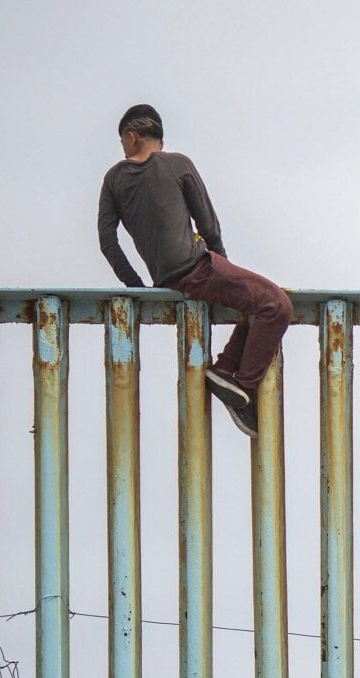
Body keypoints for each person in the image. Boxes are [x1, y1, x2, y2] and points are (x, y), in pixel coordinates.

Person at [97, 104, 289, 438]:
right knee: (277, 304)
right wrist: (224, 266)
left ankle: (227, 369)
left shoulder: (113, 179)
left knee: (257, 302)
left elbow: (107, 241)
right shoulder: (176, 164)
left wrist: (138, 286)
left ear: (131, 137)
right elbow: (208, 223)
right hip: (197, 267)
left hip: (165, 278)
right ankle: (240, 386)